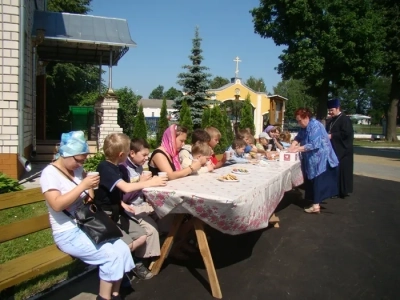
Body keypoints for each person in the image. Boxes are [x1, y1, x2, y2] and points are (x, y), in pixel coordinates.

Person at [40, 131, 135, 300]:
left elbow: (88, 196)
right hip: (67, 232)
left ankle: (115, 293)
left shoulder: (77, 170)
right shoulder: (50, 174)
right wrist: (82, 185)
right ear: (66, 154)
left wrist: (89, 186)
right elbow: (56, 205)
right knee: (110, 256)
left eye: (83, 160)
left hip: (86, 225)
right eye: (79, 160)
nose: (81, 164)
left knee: (122, 249)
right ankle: (104, 298)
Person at [95, 133, 167, 280]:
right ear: (122, 154)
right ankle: (117, 266)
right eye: (128, 151)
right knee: (123, 246)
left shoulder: (118, 169)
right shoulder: (105, 167)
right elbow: (126, 188)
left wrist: (121, 203)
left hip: (118, 210)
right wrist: (148, 182)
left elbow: (113, 192)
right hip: (106, 215)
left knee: (142, 236)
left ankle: (129, 262)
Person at [118, 138, 162, 264]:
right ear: (132, 153)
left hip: (143, 204)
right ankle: (142, 260)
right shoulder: (123, 169)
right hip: (131, 208)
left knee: (167, 216)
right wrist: (142, 183)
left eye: (147, 155)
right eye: (144, 155)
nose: (146, 158)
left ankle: (169, 249)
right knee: (151, 230)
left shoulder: (139, 167)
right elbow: (124, 198)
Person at [287, 108, 339, 213]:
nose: (298, 123)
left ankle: (316, 206)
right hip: (312, 159)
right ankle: (315, 203)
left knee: (318, 181)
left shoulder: (315, 126)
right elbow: (299, 137)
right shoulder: (304, 127)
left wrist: (297, 149)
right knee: (313, 181)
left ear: (306, 117)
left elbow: (314, 144)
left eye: (299, 121)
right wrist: (293, 145)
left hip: (322, 159)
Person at [326, 98, 354, 198]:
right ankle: (334, 190)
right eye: (329, 110)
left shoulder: (345, 119)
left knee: (342, 171)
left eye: (332, 110)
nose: (330, 112)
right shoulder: (331, 120)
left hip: (343, 150)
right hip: (334, 148)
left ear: (338, 108)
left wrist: (332, 136)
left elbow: (346, 134)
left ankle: (342, 191)